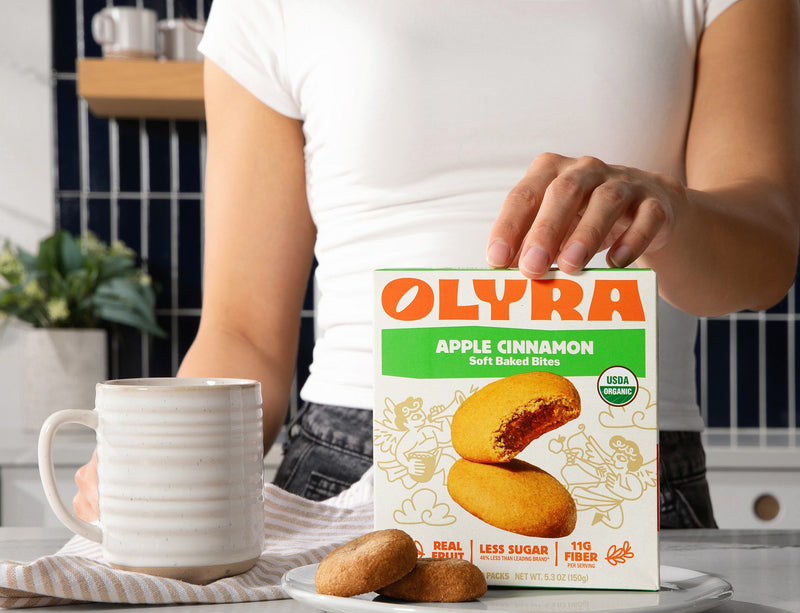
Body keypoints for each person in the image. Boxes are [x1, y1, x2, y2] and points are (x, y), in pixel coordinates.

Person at [74, 0, 800, 529]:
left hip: (625, 457)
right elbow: (241, 334)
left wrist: (666, 210)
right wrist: (163, 471)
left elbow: (765, 259)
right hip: (351, 462)